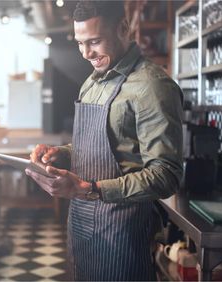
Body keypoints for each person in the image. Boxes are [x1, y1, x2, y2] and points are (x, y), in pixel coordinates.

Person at [26, 1, 183, 280]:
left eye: (95, 41)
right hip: (82, 225)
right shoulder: (93, 81)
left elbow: (166, 175)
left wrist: (91, 189)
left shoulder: (152, 85)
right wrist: (60, 153)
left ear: (124, 28)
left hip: (123, 232)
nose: (86, 53)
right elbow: (97, 145)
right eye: (79, 43)